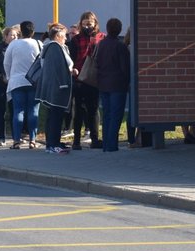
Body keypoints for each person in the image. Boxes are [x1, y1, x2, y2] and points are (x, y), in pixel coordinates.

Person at [36, 23, 75, 154]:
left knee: (53, 116)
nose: (66, 38)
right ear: (58, 36)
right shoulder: (54, 47)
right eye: (64, 36)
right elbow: (58, 68)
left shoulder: (54, 47)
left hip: (53, 87)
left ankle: (52, 144)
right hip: (57, 88)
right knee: (55, 117)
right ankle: (53, 144)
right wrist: (64, 81)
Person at [68, 11, 105, 150]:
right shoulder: (76, 40)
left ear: (95, 23)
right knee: (79, 109)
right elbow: (71, 58)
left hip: (94, 79)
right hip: (80, 78)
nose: (87, 26)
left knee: (93, 109)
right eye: (84, 24)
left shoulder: (101, 38)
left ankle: (94, 139)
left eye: (89, 24)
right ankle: (77, 140)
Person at [2, 21, 41, 149]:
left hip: (17, 81)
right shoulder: (38, 44)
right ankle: (33, 140)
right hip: (34, 82)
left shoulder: (13, 45)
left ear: (20, 32)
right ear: (33, 32)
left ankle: (16, 140)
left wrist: (9, 77)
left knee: (18, 111)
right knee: (33, 111)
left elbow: (6, 63)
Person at [95, 17, 131, 152]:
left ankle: (106, 145)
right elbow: (125, 68)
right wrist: (127, 82)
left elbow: (97, 63)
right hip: (117, 85)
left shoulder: (101, 44)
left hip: (103, 83)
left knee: (107, 114)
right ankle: (112, 145)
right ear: (119, 30)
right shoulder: (120, 46)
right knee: (116, 115)